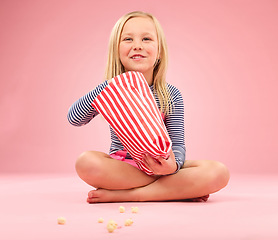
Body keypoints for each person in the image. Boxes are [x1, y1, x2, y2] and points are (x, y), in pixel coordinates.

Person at [67, 11, 230, 203]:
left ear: (159, 51)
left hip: (164, 166)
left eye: (146, 39)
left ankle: (131, 195)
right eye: (128, 39)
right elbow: (75, 118)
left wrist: (172, 167)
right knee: (85, 162)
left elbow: (177, 144)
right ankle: (173, 190)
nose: (137, 45)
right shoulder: (111, 91)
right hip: (124, 167)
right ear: (116, 50)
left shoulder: (171, 95)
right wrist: (107, 86)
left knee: (218, 172)